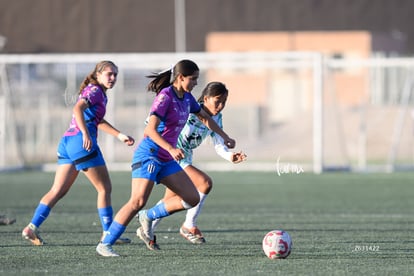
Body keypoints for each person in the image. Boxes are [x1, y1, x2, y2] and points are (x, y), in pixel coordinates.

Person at [96, 59, 236, 257]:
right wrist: (170, 148)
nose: (196, 83)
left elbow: (205, 117)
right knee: (137, 201)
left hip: (166, 158)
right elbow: (150, 130)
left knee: (192, 197)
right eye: (193, 79)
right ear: (180, 78)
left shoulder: (187, 98)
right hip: (150, 154)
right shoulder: (165, 97)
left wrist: (225, 137)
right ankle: (105, 244)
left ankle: (148, 217)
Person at [22, 60, 135, 246]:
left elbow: (96, 119)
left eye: (115, 74)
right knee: (104, 188)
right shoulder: (95, 90)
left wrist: (119, 135)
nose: (113, 78)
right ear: (98, 75)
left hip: (67, 142)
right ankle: (108, 233)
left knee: (57, 190)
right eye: (109, 74)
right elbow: (77, 109)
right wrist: (85, 133)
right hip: (80, 143)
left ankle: (31, 227)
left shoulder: (97, 92)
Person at [146, 81, 247, 245]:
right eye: (217, 101)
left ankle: (146, 228)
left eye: (224, 102)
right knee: (205, 183)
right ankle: (188, 225)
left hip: (184, 157)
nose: (220, 106)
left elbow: (218, 144)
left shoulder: (217, 117)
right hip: (173, 155)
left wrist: (230, 157)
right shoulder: (189, 110)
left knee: (169, 200)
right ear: (206, 98)